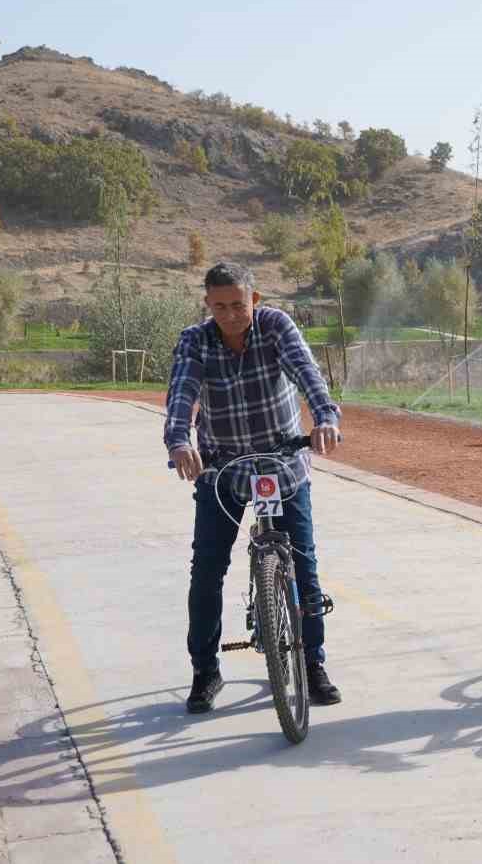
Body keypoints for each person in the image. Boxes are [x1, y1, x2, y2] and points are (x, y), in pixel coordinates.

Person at [164, 262, 343, 714]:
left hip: (282, 465)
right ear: (208, 304)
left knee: (304, 566)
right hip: (222, 470)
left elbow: (307, 374)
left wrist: (325, 417)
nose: (229, 315)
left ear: (255, 300)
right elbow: (182, 394)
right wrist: (180, 442)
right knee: (207, 571)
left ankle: (312, 663)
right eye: (219, 306)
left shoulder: (276, 327)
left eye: (238, 305)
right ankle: (205, 671)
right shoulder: (195, 340)